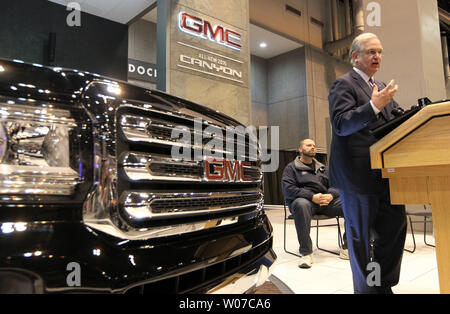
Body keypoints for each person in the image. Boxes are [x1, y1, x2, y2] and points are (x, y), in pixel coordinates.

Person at [328, 32, 407, 294]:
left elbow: (394, 120)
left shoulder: (380, 86)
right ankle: (367, 290)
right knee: (362, 237)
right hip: (357, 176)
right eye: (371, 51)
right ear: (355, 56)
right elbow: (341, 124)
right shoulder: (344, 84)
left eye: (380, 52)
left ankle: (382, 283)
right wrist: (372, 107)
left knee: (394, 226)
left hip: (385, 172)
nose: (377, 56)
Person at [282, 138, 348, 269]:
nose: (312, 147)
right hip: (306, 202)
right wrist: (312, 197)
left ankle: (348, 248)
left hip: (325, 203)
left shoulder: (323, 168)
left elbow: (336, 186)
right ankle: (306, 253)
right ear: (300, 149)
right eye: (308, 145)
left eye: (314, 145)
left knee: (351, 204)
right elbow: (289, 190)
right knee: (301, 204)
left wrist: (330, 195)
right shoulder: (291, 168)